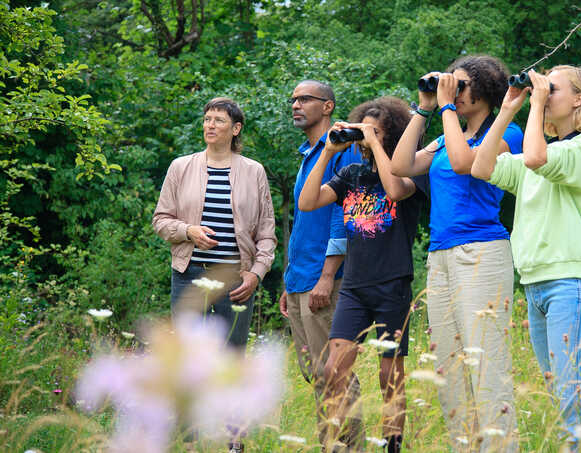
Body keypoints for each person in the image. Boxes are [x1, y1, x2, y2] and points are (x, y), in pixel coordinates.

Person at [471, 65, 581, 449]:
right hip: (536, 285)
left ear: (579, 99)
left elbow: (534, 158)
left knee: (573, 401)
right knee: (563, 399)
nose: (544, 95)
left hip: (573, 283)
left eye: (552, 89)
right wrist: (507, 111)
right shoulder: (549, 150)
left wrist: (535, 106)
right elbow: (481, 167)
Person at [392, 55, 522, 451]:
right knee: (448, 365)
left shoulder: (508, 132)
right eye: (451, 84)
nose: (453, 91)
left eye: (460, 85)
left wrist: (447, 108)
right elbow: (400, 166)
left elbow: (466, 163)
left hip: (481, 253)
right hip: (441, 256)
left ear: (485, 90)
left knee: (486, 364)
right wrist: (425, 107)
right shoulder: (446, 132)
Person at [299, 97, 425, 453]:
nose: (366, 138)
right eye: (363, 130)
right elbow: (308, 202)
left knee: (390, 375)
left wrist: (376, 145)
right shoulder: (351, 174)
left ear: (393, 135)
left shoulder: (412, 170)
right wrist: (328, 151)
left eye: (377, 132)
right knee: (333, 370)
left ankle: (392, 444)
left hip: (392, 283)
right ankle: (337, 444)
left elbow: (394, 190)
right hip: (354, 285)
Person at [152, 97, 276, 452]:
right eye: (207, 119)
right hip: (189, 275)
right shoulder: (181, 167)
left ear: (235, 129)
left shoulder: (253, 171)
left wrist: (256, 273)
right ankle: (190, 441)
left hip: (236, 280)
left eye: (218, 120)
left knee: (233, 358)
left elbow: (266, 232)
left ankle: (234, 441)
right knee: (187, 358)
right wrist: (189, 231)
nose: (210, 125)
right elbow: (161, 220)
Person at [278, 80, 364, 450]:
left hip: (326, 279)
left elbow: (345, 215)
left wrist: (328, 276)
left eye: (305, 99)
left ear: (327, 106)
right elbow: (303, 222)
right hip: (302, 278)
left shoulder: (343, 146)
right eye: (293, 99)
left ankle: (351, 448)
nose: (296, 104)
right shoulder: (310, 153)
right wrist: (290, 280)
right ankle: (332, 446)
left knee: (335, 372)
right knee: (315, 373)